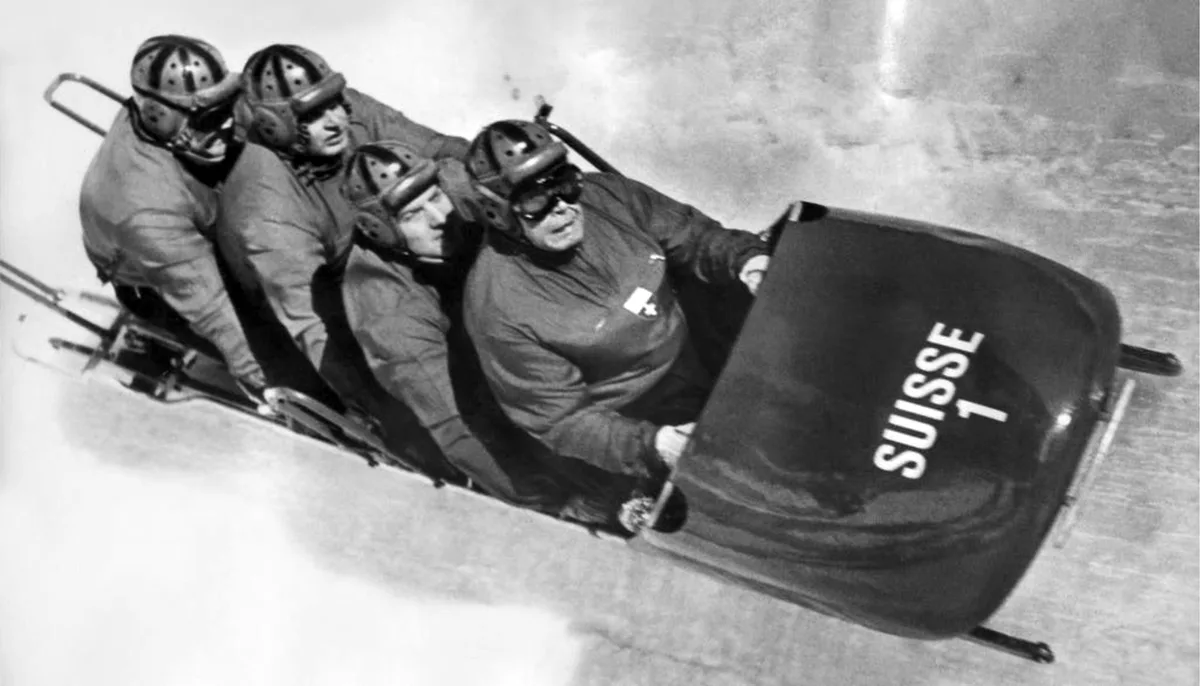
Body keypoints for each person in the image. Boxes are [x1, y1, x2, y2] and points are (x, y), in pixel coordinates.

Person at [462, 120, 770, 529]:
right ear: (500, 213)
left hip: (694, 349)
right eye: (536, 199)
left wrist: (748, 261)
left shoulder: (609, 196)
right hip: (636, 416)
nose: (562, 206)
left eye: (564, 184)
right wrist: (653, 445)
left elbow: (695, 238)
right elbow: (563, 420)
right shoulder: (498, 307)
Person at [216, 43, 471, 478]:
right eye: (313, 116)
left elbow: (440, 150)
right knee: (409, 407)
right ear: (277, 126)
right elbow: (313, 328)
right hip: (322, 305)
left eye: (334, 102)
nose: (335, 120)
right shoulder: (268, 207)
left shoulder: (344, 110)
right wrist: (389, 413)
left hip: (385, 253)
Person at [339, 140, 567, 509]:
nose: (438, 217)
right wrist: (547, 503)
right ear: (384, 232)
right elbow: (454, 429)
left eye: (435, 197)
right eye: (413, 215)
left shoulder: (455, 197)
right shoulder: (389, 310)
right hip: (465, 412)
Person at [79, 35, 268, 392]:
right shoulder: (145, 211)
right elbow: (214, 308)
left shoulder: (173, 126)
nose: (226, 125)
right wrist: (271, 377)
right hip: (151, 278)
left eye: (226, 105)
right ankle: (154, 337)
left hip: (187, 216)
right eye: (210, 118)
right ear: (159, 117)